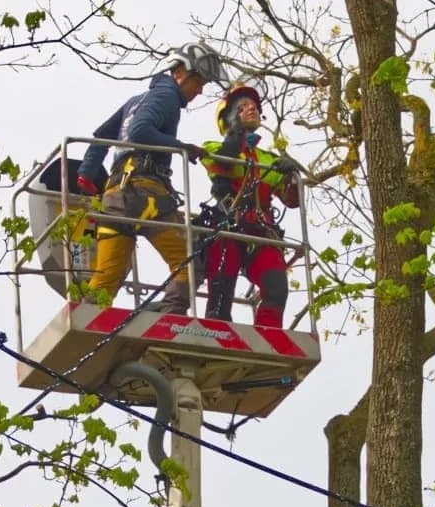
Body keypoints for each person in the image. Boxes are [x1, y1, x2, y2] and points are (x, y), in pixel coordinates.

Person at [74, 42, 230, 314]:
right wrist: (181, 147)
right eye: (198, 81)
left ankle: (87, 327)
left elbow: (101, 135)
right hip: (146, 196)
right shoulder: (166, 96)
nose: (200, 90)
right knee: (189, 266)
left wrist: (87, 175)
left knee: (106, 278)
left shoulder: (136, 101)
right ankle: (167, 316)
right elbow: (139, 131)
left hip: (115, 198)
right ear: (179, 71)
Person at [198, 83, 302, 328]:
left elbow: (291, 200)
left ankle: (268, 335)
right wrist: (236, 132)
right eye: (242, 107)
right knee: (221, 294)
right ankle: (217, 331)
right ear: (229, 118)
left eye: (253, 106)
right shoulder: (213, 148)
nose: (251, 109)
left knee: (276, 287)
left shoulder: (267, 159)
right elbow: (222, 165)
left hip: (261, 232)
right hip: (229, 228)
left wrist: (290, 175)